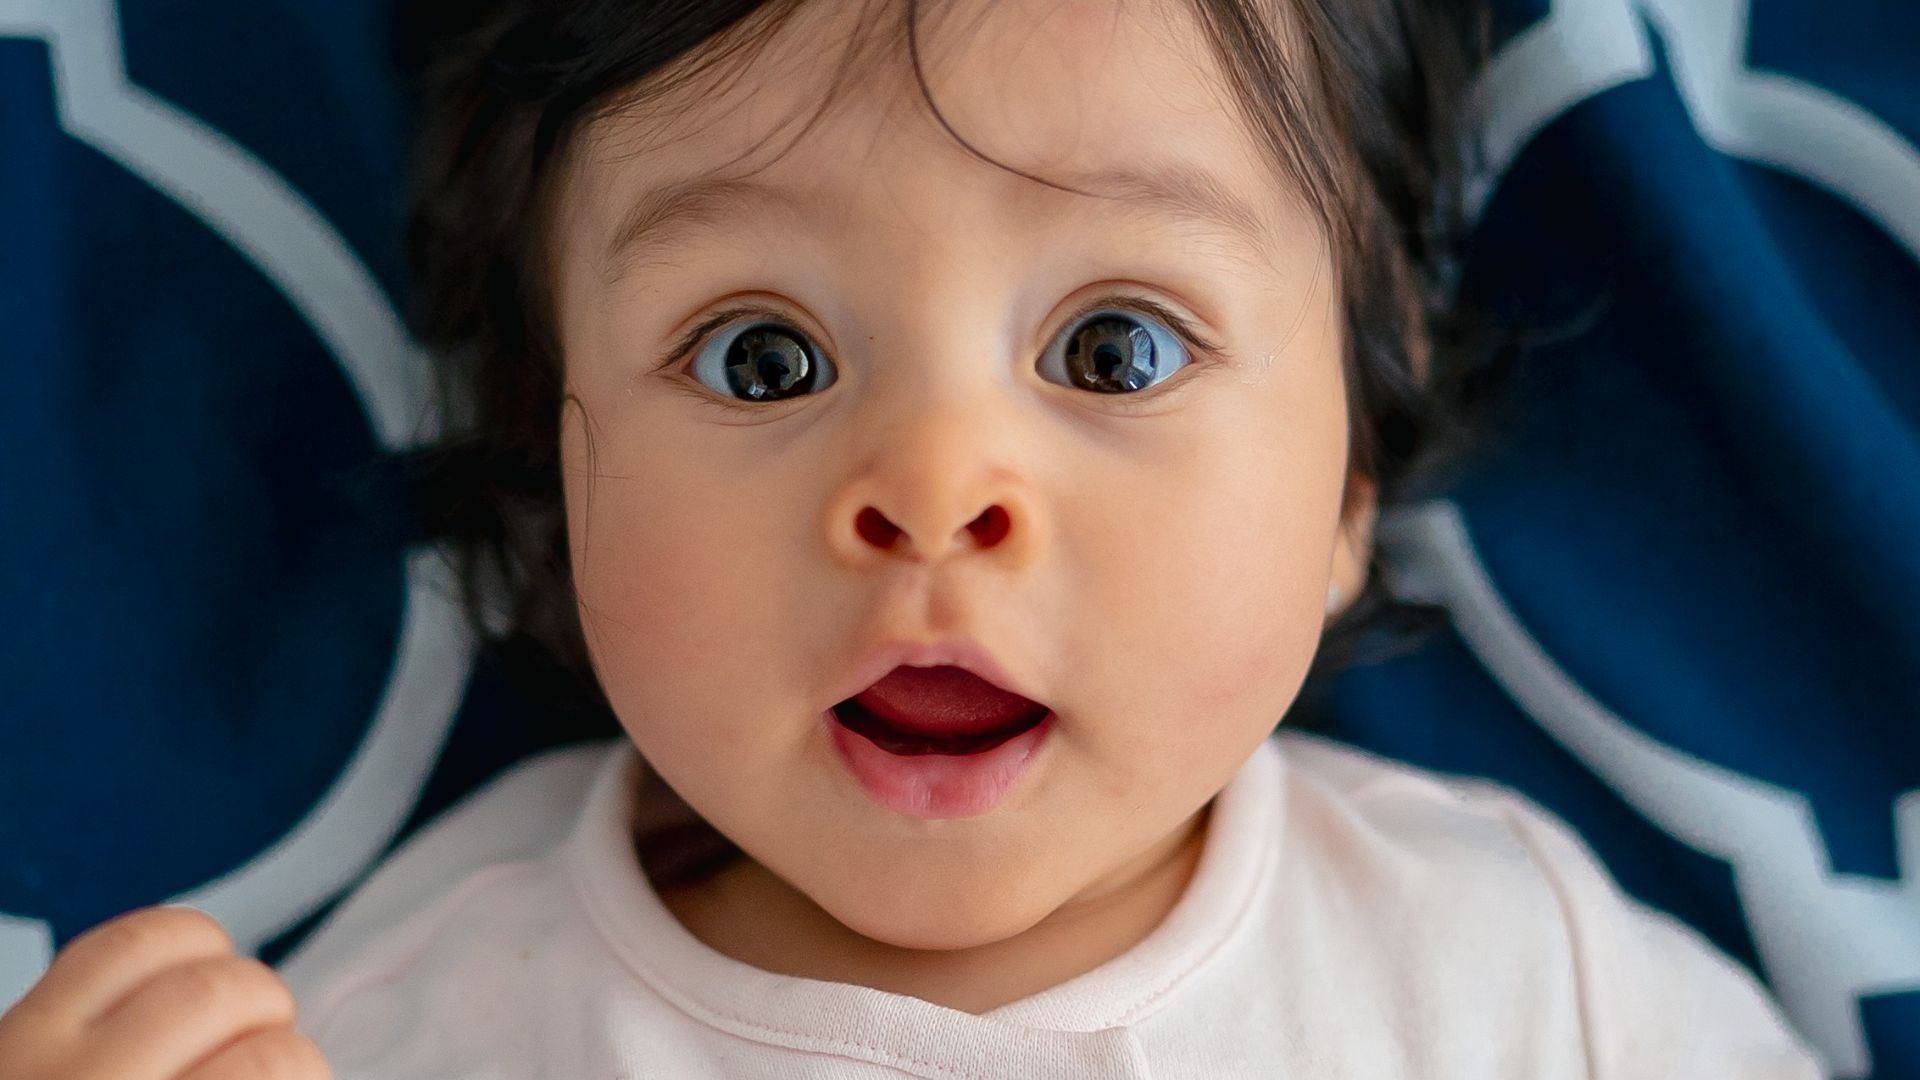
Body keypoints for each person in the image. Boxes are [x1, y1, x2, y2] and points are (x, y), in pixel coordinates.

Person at [0, 0, 1830, 1076]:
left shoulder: (1518, 983)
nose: (934, 489)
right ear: (556, 456)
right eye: (762, 355)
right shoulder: (420, 1022)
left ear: (1351, 468)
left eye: (1113, 349)